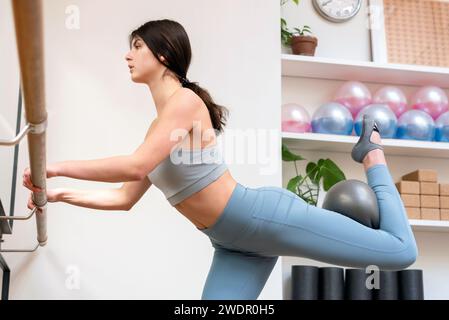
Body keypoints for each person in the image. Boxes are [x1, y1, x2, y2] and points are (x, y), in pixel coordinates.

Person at [23, 19, 418, 300]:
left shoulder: (185, 101)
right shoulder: (155, 130)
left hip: (263, 218)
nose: (128, 55)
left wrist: (53, 167)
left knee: (400, 253)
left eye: (137, 46)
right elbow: (123, 198)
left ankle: (373, 154)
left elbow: (134, 166)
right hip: (233, 245)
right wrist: (58, 195)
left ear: (162, 54)